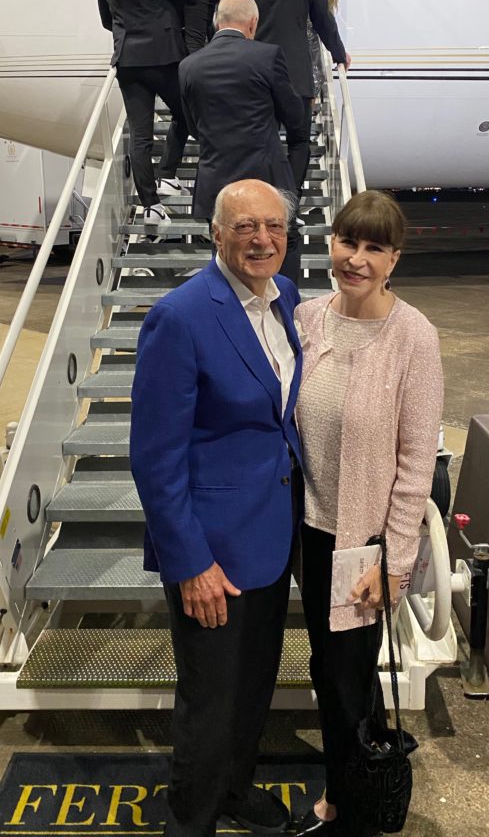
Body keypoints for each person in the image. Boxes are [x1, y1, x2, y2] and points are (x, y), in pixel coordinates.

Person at [130, 178, 303, 837]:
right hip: (213, 549)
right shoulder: (180, 316)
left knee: (255, 682)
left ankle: (234, 789)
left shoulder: (284, 297)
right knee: (209, 698)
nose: (262, 239)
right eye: (244, 228)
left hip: (272, 534)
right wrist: (191, 562)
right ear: (216, 234)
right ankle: (192, 818)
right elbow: (155, 458)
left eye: (273, 227)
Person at [293, 190, 444, 837]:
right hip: (303, 528)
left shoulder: (413, 336)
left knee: (346, 677)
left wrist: (395, 565)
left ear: (394, 260)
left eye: (374, 248)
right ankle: (352, 779)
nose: (356, 258)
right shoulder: (304, 317)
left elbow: (416, 466)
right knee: (331, 669)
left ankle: (346, 806)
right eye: (347, 242)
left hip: (363, 544)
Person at [221, 0, 350, 195]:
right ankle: (287, 208)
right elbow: (323, 19)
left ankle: (258, 205)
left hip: (250, 75)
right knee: (299, 143)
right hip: (295, 75)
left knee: (253, 146)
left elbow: (223, 24)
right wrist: (339, 53)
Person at [179, 0, 306, 281]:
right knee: (282, 246)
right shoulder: (266, 56)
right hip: (266, 176)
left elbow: (192, 126)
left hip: (216, 181)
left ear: (216, 23)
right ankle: (280, 314)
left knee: (225, 254)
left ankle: (229, 319)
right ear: (253, 23)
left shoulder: (188, 66)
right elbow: (295, 117)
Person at [95, 0, 200, 227]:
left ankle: (151, 206)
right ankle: (168, 173)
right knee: (188, 116)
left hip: (128, 59)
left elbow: (106, 19)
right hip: (164, 56)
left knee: (140, 136)